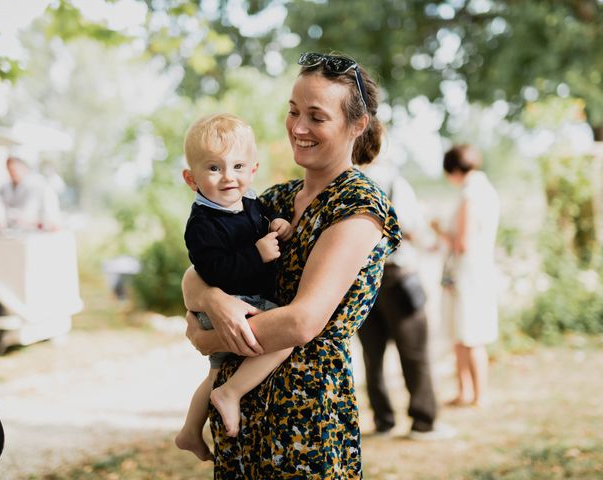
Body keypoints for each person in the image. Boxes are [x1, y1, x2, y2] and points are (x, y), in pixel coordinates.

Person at [182, 52, 401, 478]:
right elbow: (198, 271)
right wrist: (213, 299)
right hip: (240, 405)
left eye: (316, 117)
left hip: (304, 412)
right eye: (293, 111)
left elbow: (303, 322)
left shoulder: (357, 206)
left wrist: (212, 339)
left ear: (357, 125)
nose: (298, 128)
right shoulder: (275, 200)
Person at [174, 114, 294, 461]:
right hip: (232, 306)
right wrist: (257, 255)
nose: (229, 176)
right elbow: (214, 270)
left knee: (215, 370)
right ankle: (231, 393)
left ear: (253, 169)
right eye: (214, 168)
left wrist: (277, 224)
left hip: (241, 303)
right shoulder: (202, 224)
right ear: (191, 179)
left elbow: (261, 222)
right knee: (284, 338)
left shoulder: (250, 202)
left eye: (238, 166)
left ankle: (189, 431)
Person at [359, 161, 455, 440]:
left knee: (372, 354)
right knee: (414, 351)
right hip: (395, 274)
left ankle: (383, 421)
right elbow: (408, 228)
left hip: (360, 278)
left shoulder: (343, 180)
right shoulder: (393, 180)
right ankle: (423, 422)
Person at [432, 144, 500, 408]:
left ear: (453, 170)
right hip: (471, 271)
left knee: (471, 334)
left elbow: (462, 242)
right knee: (461, 333)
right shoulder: (485, 190)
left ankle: (478, 394)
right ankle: (465, 391)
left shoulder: (471, 195)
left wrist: (438, 229)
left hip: (468, 274)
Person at [0, 156, 61, 235]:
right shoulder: (5, 186)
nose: (12, 173)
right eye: (9, 170)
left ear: (23, 168)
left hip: (35, 233)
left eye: (14, 170)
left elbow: (49, 215)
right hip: (11, 232)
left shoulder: (38, 184)